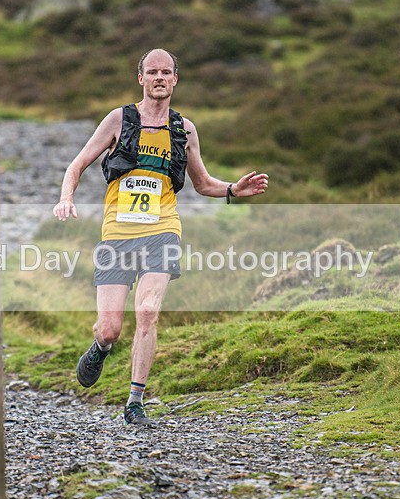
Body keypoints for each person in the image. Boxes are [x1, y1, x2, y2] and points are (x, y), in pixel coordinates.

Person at [53, 48, 268, 426]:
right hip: (117, 233)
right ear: (141, 78)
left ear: (175, 80)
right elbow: (77, 164)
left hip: (162, 231)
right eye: (152, 72)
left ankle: (135, 402)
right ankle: (101, 347)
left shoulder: (184, 130)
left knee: (148, 311)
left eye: (166, 72)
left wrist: (233, 189)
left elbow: (202, 183)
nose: (159, 78)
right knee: (111, 329)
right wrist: (66, 198)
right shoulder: (119, 119)